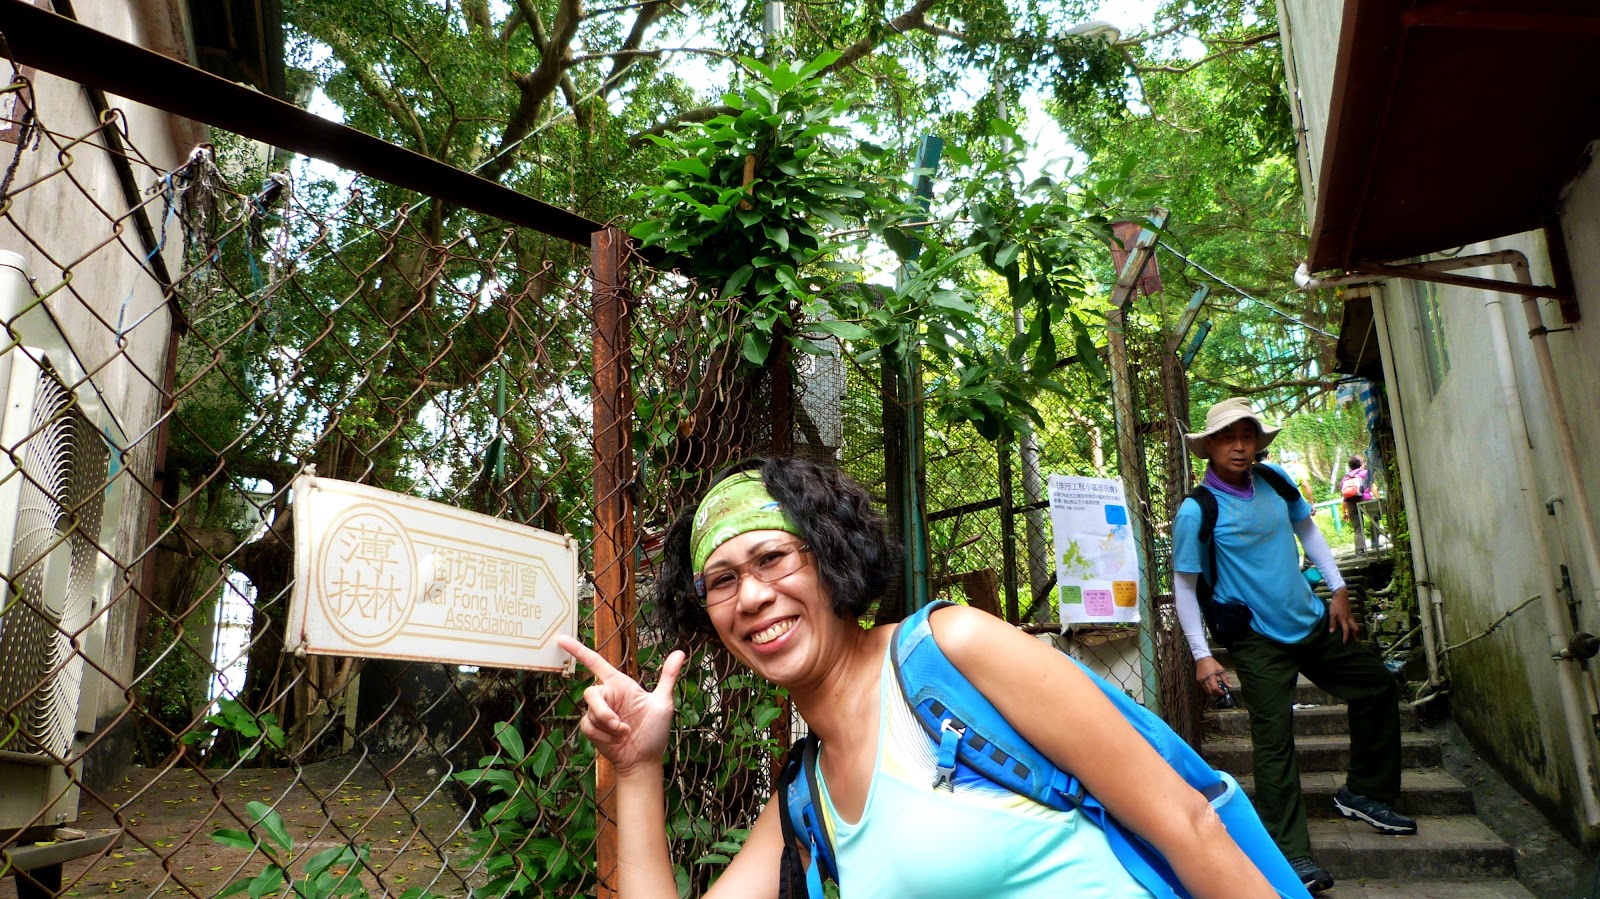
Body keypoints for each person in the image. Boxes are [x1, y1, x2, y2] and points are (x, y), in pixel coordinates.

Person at [559, 456, 1280, 898]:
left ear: (830, 555)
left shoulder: (951, 650)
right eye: (721, 580)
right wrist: (638, 767)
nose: (750, 596)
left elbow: (1188, 823)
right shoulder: (805, 798)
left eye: (773, 558)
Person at [1172, 400, 1415, 894]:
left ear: (1257, 443)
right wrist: (1202, 655)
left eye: (1247, 436)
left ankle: (1364, 793)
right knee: (1274, 738)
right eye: (1228, 437)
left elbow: (1309, 532)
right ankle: (1290, 852)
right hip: (1257, 639)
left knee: (1375, 685)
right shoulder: (1197, 510)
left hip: (1311, 620)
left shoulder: (1276, 481)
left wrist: (1339, 590)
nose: (1239, 446)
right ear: (1210, 446)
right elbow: (1184, 584)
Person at [1340, 456, 1374, 553]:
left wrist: (1344, 511)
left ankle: (1360, 550)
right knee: (1375, 518)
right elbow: (1373, 486)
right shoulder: (1365, 473)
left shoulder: (1345, 478)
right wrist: (1378, 498)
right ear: (1361, 464)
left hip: (1351, 503)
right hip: (1365, 500)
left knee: (1358, 527)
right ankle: (1375, 542)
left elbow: (1344, 497)